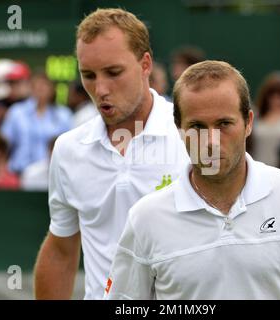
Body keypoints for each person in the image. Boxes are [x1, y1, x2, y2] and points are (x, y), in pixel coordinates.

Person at [105, 60, 280, 300]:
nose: (210, 141)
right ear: (179, 129)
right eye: (197, 126)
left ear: (248, 122)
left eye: (224, 124)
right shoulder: (146, 217)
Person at [33, 8, 189, 300]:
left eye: (113, 72)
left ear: (145, 65)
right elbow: (61, 250)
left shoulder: (190, 135)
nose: (100, 88)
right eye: (88, 75)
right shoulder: (68, 150)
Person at [1, 72, 72, 174]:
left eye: (44, 85)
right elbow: (5, 144)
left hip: (52, 172)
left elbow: (69, 147)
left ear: (52, 89)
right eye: (37, 85)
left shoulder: (63, 115)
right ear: (31, 88)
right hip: (19, 171)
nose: (40, 89)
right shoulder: (16, 112)